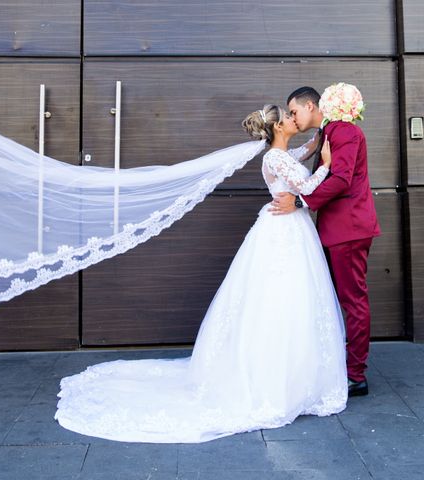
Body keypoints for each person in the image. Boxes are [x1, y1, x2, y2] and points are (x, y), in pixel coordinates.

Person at [55, 104, 348, 443]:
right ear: (279, 127)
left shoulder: (280, 153)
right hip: (285, 230)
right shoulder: (276, 159)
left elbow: (297, 155)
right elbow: (308, 186)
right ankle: (278, 379)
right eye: (288, 117)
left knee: (284, 299)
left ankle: (295, 374)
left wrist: (316, 143)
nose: (293, 119)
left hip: (285, 228)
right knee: (281, 299)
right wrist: (326, 163)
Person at [272, 87, 381, 397]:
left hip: (349, 229)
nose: (292, 117)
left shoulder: (343, 131)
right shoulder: (326, 132)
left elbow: (342, 177)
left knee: (353, 300)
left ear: (311, 105)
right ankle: (338, 364)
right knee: (335, 299)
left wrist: (301, 202)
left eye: (294, 111)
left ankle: (355, 375)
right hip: (336, 229)